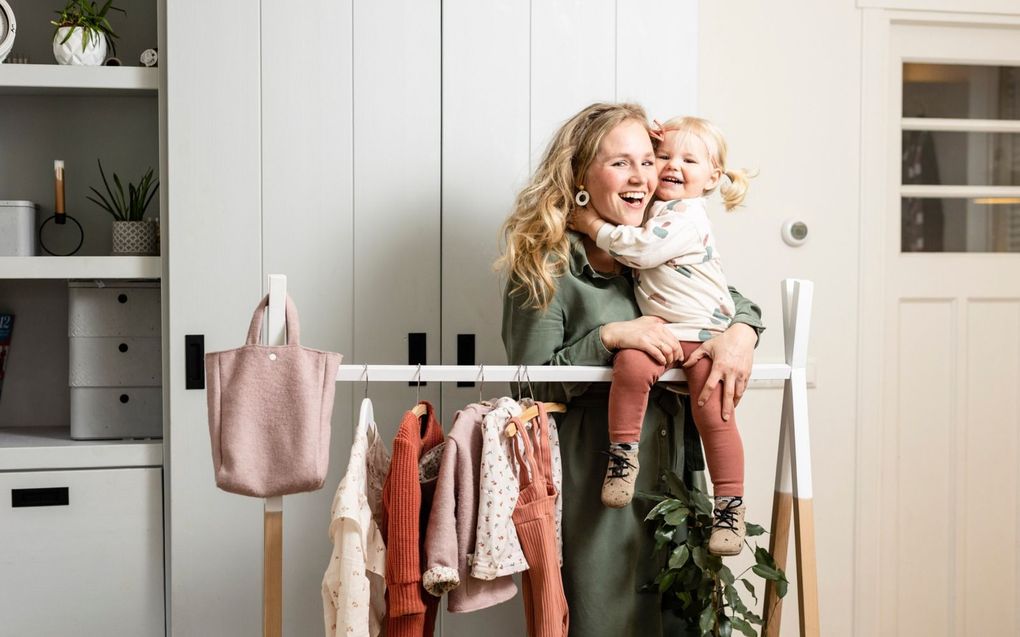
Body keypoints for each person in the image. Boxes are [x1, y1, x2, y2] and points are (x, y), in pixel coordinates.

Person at [497, 102, 764, 636]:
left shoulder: (663, 255)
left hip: (679, 480)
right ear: (579, 176)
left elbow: (733, 303)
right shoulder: (546, 268)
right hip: (597, 484)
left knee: (687, 622)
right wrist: (611, 337)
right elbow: (528, 381)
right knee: (608, 619)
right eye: (622, 163)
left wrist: (742, 333)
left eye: (649, 160)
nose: (644, 176)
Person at [567, 115, 751, 557]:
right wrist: (644, 143)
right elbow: (634, 197)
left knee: (714, 409)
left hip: (704, 334)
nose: (670, 166)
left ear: (712, 178)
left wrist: (591, 224)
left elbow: (641, 247)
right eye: (662, 157)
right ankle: (623, 456)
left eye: (689, 159)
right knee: (629, 365)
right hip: (666, 335)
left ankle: (730, 502)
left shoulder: (685, 216)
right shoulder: (657, 208)